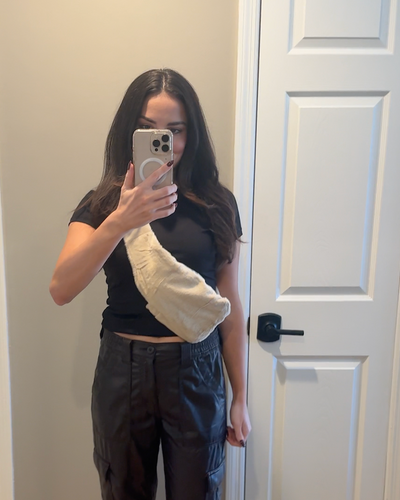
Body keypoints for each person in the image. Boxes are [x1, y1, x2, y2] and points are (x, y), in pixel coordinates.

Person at [49, 68, 251, 500]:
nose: (166, 142)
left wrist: (240, 397)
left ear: (191, 134)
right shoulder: (102, 203)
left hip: (196, 368)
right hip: (123, 369)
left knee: (199, 491)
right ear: (130, 133)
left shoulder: (218, 204)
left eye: (176, 130)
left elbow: (229, 303)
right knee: (122, 490)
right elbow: (61, 288)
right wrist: (120, 220)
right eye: (149, 129)